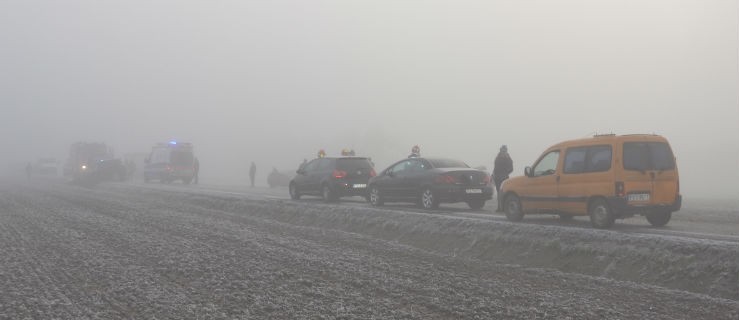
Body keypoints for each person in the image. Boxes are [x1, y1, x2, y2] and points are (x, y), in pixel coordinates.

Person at [493, 145, 513, 212]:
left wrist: (505, 173)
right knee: (499, 193)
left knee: (504, 192)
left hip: (504, 178)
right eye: (502, 149)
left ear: (506, 150)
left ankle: (504, 207)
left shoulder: (508, 158)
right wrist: (494, 174)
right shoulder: (497, 157)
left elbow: (511, 168)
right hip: (497, 178)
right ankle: (499, 207)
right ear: (501, 150)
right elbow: (495, 167)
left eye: (505, 149)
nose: (503, 151)